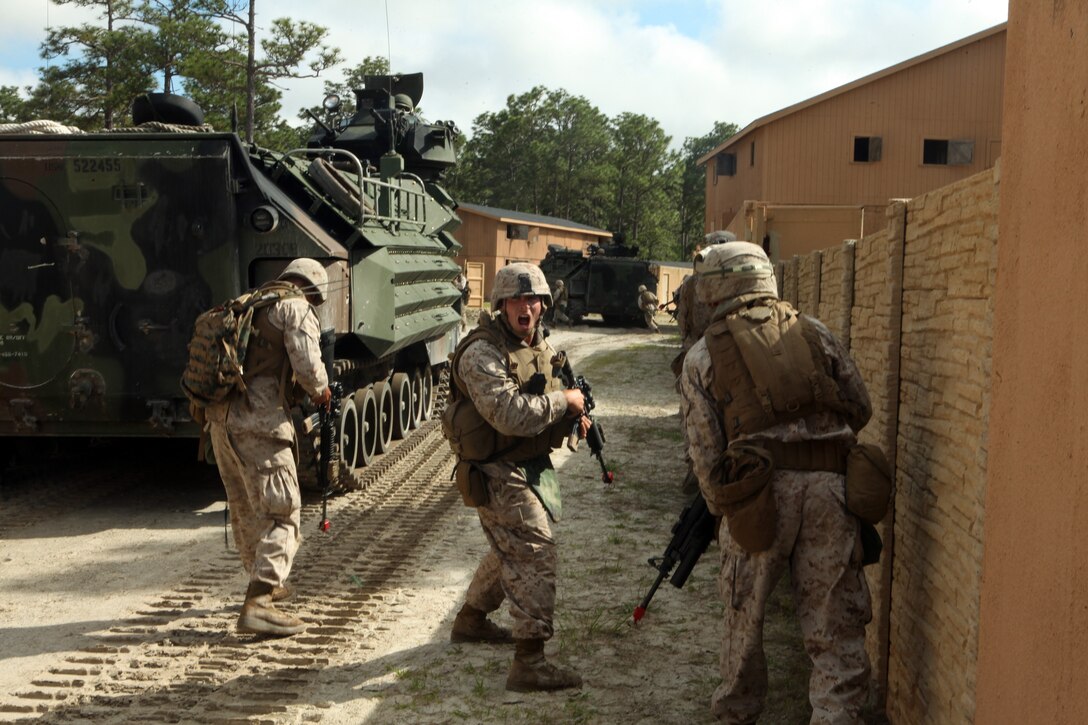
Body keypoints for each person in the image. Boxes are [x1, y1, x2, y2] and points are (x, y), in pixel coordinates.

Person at [679, 241, 873, 723]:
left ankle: (737, 714)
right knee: (835, 629)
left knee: (744, 627)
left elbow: (705, 453)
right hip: (831, 492)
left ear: (713, 289)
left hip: (758, 497)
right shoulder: (814, 332)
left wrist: (724, 510)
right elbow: (861, 406)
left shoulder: (703, 356)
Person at [443, 262, 590, 692]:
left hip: (523, 462)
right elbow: (508, 414)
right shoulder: (481, 353)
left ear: (544, 305)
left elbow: (547, 395)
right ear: (501, 305)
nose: (525, 307)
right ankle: (529, 661)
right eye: (516, 300)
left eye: (533, 300)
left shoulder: (537, 343)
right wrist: (564, 403)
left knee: (510, 546)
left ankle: (471, 620)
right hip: (493, 468)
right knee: (534, 549)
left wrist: (572, 417)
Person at [206, 258, 333, 637]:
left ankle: (264, 581)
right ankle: (259, 602)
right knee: (283, 512)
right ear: (313, 290)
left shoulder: (250, 302)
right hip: (260, 423)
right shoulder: (295, 307)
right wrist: (322, 391)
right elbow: (309, 369)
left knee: (245, 507)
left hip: (220, 421)